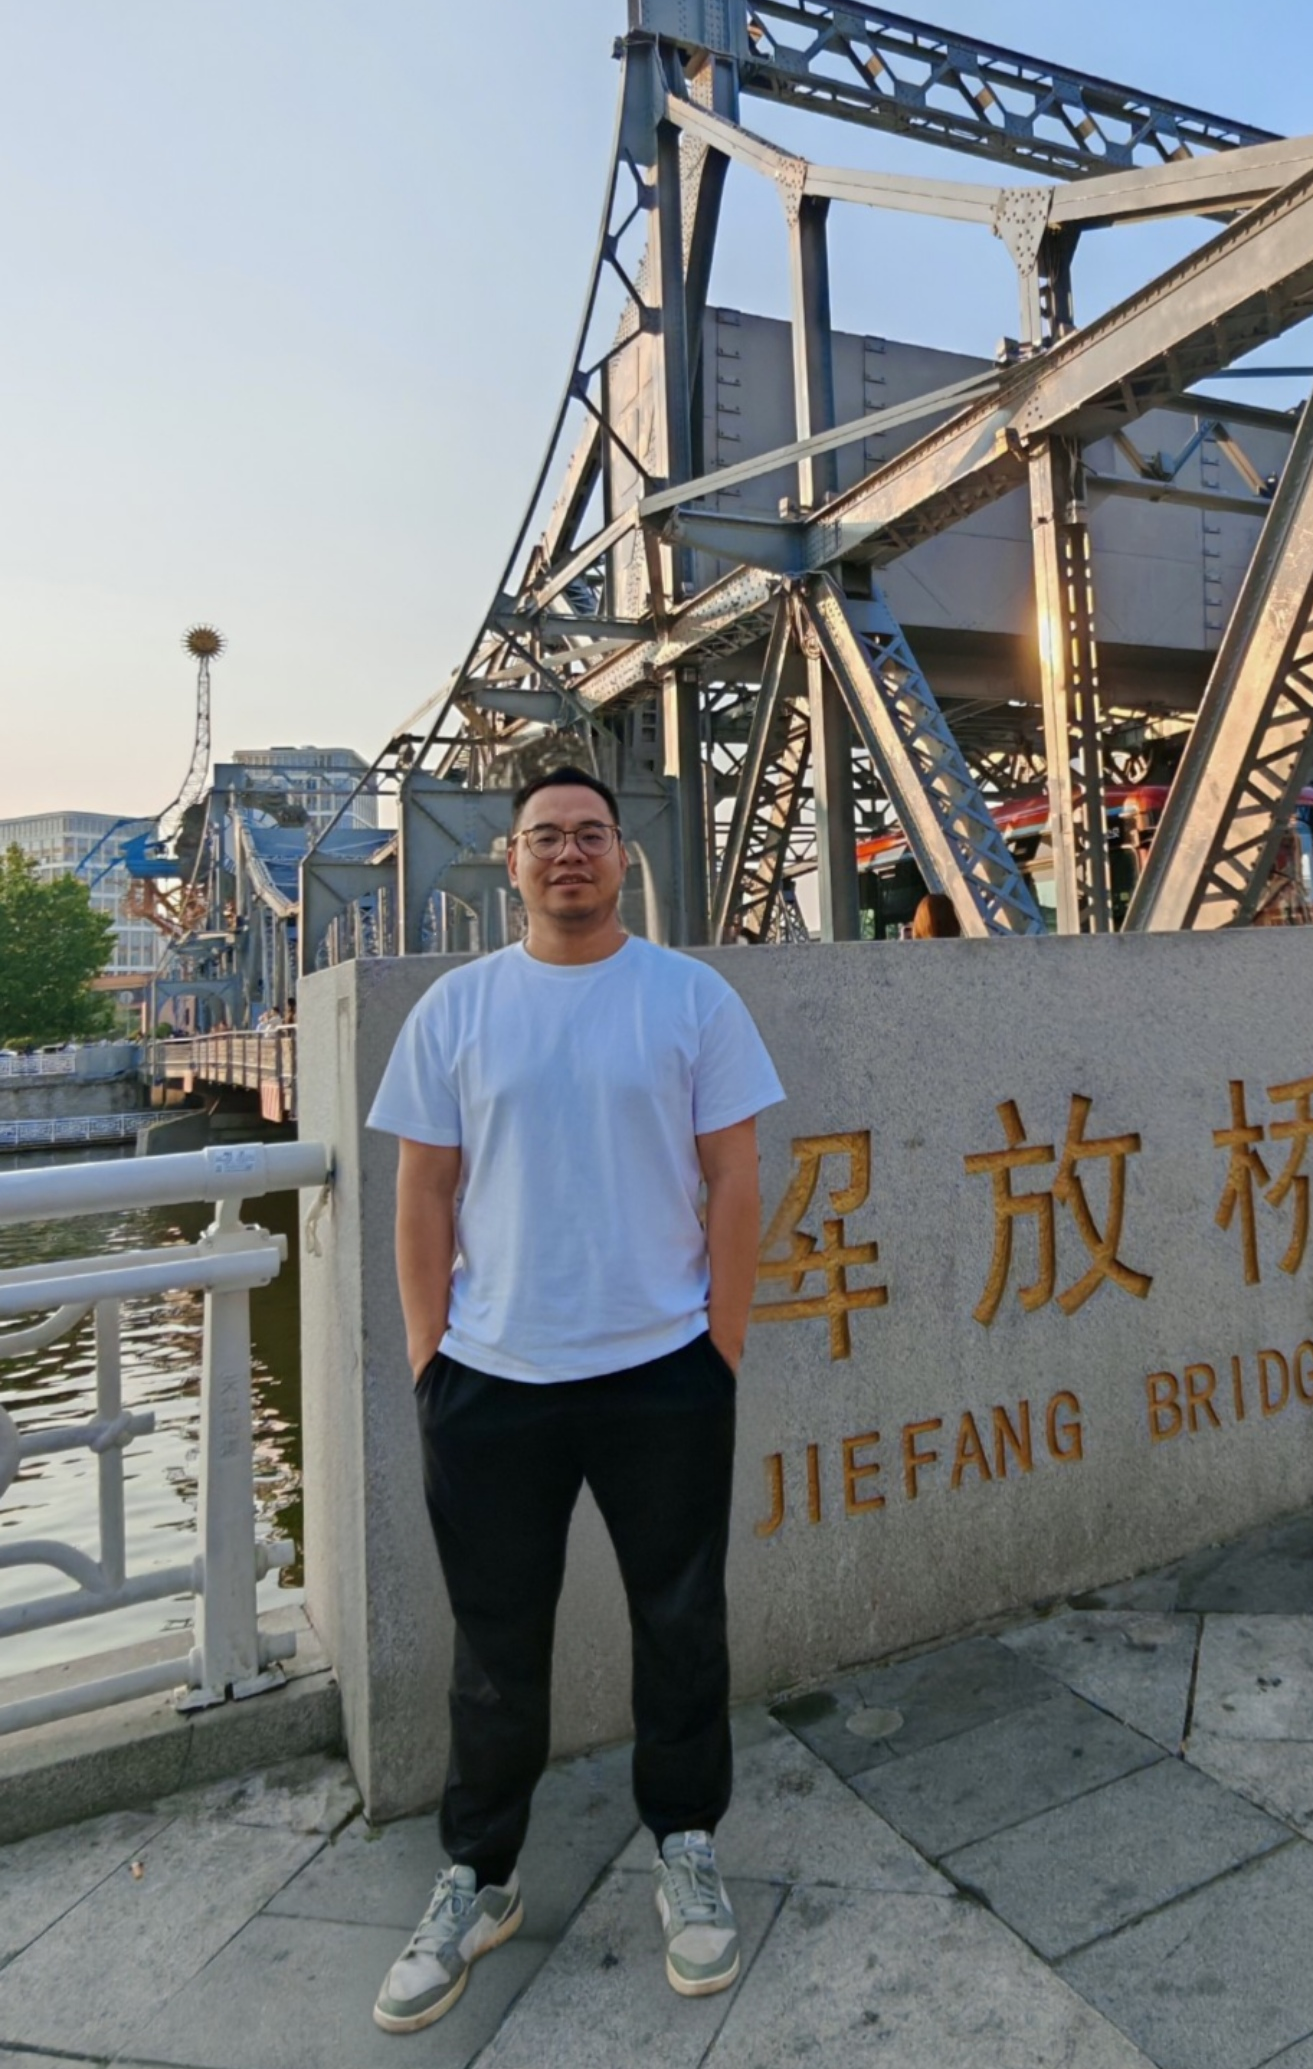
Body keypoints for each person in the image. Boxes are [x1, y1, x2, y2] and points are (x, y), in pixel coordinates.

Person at [365, 764, 784, 2034]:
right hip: (493, 1378)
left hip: (664, 1370)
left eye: (591, 834)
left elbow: (736, 1181)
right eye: (544, 836)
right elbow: (423, 1192)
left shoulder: (691, 997)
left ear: (620, 857)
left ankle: (687, 1846)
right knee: (495, 1644)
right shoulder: (457, 1008)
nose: (568, 853)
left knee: (681, 1621)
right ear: (510, 862)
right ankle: (478, 1876)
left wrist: (721, 1345)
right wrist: (430, 1356)